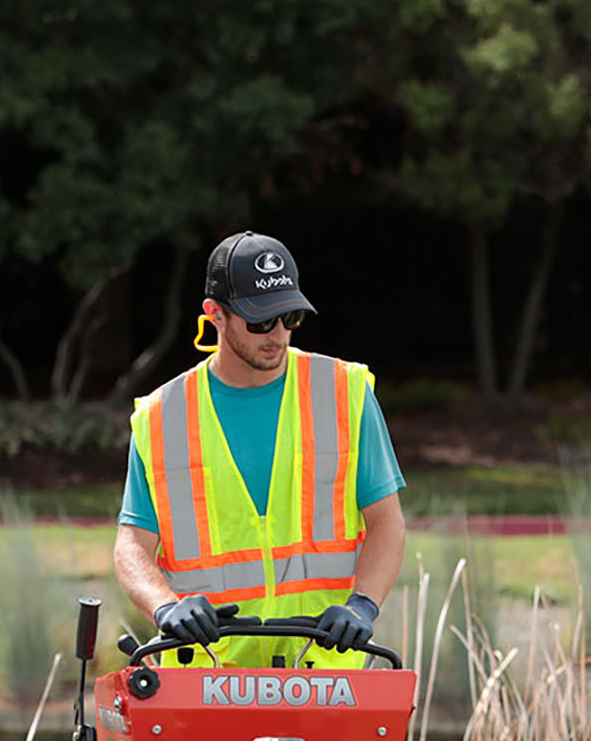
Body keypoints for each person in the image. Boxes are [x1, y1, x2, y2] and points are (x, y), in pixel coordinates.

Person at [114, 230, 407, 669]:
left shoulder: (345, 394)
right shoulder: (161, 417)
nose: (277, 333)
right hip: (207, 674)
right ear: (215, 315)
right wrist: (165, 607)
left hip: (322, 670)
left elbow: (386, 522)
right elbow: (132, 544)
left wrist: (362, 605)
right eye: (258, 320)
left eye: (289, 316)